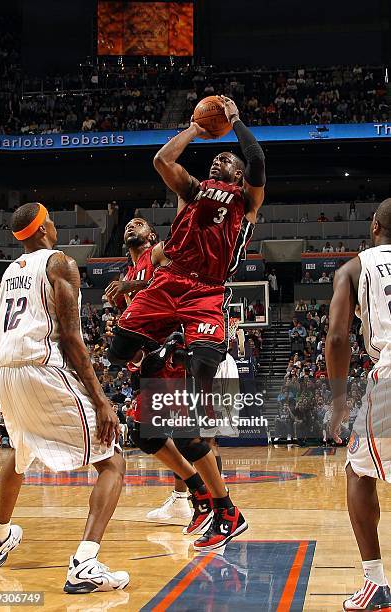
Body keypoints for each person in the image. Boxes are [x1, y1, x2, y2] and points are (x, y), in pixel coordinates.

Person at [108, 95, 265, 550]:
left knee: (189, 408)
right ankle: (204, 496)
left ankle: (222, 507)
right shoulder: (193, 194)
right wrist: (197, 127)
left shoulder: (246, 200)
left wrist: (234, 121)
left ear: (237, 177)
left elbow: (253, 158)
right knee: (122, 360)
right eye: (216, 158)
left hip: (207, 294)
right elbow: (161, 161)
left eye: (226, 161)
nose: (220, 161)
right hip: (172, 286)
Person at [0, 203, 129, 594]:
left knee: (21, 449)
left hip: (3, 372)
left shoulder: (8, 275)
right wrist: (100, 398)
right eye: (50, 218)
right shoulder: (59, 263)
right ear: (43, 227)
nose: (53, 223)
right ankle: (85, 562)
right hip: (40, 369)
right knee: (113, 460)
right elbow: (69, 337)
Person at [326, 198, 391, 610]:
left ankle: (375, 583)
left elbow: (336, 337)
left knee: (358, 471)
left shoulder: (354, 267)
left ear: (373, 226)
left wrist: (337, 401)